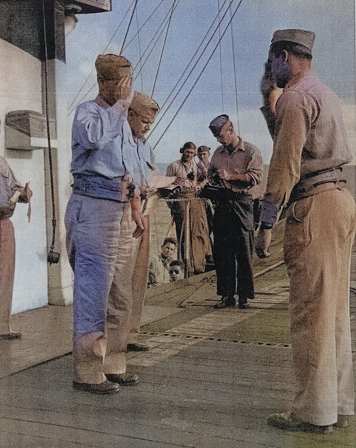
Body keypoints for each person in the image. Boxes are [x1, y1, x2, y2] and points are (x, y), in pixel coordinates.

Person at [256, 29, 355, 434]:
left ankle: (313, 413)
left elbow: (284, 164)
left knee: (311, 312)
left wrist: (266, 221)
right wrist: (269, 104)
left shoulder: (296, 98)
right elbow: (292, 143)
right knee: (334, 311)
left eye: (272, 62)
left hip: (312, 206)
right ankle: (340, 403)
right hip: (340, 201)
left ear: (282, 57)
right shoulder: (324, 93)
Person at [65, 54, 145, 395]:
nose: (128, 90)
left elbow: (132, 165)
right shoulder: (89, 113)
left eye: (129, 82)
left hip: (121, 207)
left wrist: (137, 203)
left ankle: (113, 363)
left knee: (120, 293)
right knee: (92, 292)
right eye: (122, 84)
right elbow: (95, 139)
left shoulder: (123, 121)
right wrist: (120, 107)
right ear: (103, 83)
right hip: (93, 206)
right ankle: (86, 371)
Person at [106, 91, 163, 358]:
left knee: (138, 277)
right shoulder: (119, 140)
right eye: (144, 121)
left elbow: (148, 176)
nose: (147, 127)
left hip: (144, 211)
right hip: (126, 213)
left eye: (150, 123)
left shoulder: (144, 145)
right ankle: (113, 343)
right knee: (120, 280)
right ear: (129, 115)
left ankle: (129, 333)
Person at [208, 115, 263, 309]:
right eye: (217, 137)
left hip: (242, 202)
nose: (219, 140)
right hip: (223, 203)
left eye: (221, 136)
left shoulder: (250, 151)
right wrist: (215, 178)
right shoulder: (217, 153)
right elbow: (210, 174)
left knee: (243, 252)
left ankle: (244, 297)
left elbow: (256, 177)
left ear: (231, 131)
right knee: (223, 253)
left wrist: (231, 176)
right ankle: (226, 295)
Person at [166, 142, 212, 276]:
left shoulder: (194, 165)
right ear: (182, 151)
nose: (190, 155)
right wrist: (172, 202)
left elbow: (202, 179)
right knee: (184, 232)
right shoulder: (174, 166)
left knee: (198, 230)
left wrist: (199, 185)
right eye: (188, 152)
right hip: (180, 198)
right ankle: (186, 266)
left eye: (192, 153)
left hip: (193, 197)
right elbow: (166, 184)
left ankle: (199, 265)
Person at [0, 157, 32, 340]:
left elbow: (15, 188)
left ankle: (2, 326)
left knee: (5, 276)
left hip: (4, 224)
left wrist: (24, 193)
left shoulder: (2, 163)